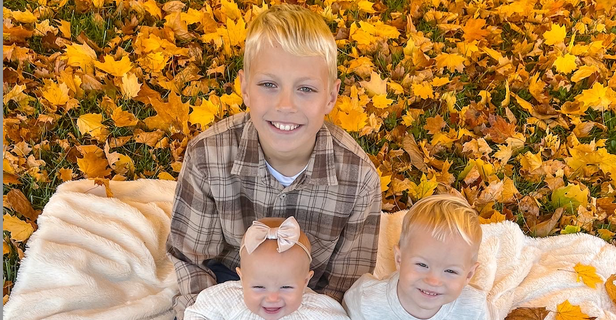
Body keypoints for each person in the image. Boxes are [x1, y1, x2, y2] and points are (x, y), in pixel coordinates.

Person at [167, 4, 381, 319]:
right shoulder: (207, 156)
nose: (285, 105)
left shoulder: (358, 179)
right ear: (244, 87)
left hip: (309, 295)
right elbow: (193, 259)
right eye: (269, 85)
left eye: (305, 89)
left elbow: (344, 283)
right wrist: (204, 311)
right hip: (232, 283)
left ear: (331, 97)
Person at [343, 194, 488, 319]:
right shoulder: (367, 301)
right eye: (422, 265)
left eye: (451, 271)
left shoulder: (475, 309)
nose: (433, 281)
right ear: (399, 259)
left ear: (468, 275)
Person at [184, 217, 350, 320]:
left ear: (305, 281)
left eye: (286, 287)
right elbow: (199, 313)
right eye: (258, 286)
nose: (272, 298)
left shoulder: (318, 311)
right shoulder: (228, 298)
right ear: (242, 278)